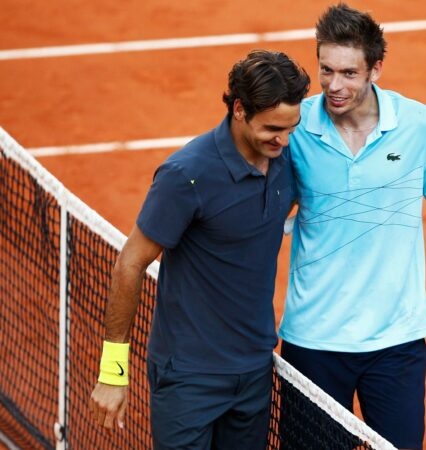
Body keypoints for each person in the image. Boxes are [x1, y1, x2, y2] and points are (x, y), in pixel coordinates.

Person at [89, 49, 310, 449]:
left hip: (255, 369)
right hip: (189, 377)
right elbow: (131, 263)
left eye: (291, 128)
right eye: (273, 128)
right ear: (240, 110)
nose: (284, 139)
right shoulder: (186, 176)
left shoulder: (285, 159)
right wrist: (112, 371)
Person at [278, 4, 426, 449]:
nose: (334, 85)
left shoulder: (420, 125)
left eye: (348, 72)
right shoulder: (297, 125)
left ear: (376, 69)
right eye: (326, 70)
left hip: (396, 342)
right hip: (314, 339)